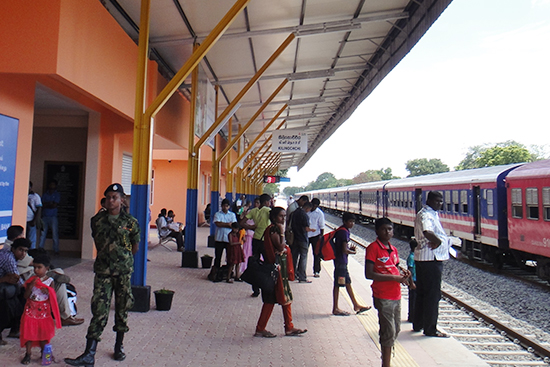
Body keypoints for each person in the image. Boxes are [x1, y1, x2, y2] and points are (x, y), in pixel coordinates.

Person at [65, 183, 140, 366]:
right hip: (103, 271)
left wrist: (123, 261)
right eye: (108, 197)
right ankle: (89, 354)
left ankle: (118, 346)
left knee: (122, 309)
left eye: (114, 197)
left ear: (122, 200)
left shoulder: (131, 222)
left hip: (122, 272)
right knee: (99, 310)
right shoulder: (97, 221)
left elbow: (135, 247)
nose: (110, 200)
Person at [254, 207, 307, 338]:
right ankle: (261, 328)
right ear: (273, 218)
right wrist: (282, 233)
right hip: (274, 270)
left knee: (285, 298)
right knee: (271, 299)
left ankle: (289, 326)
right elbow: (280, 246)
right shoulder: (273, 230)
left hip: (279, 270)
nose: (283, 219)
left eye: (284, 216)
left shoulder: (273, 229)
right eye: (280, 216)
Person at [365, 218, 411, 367]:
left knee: (395, 329)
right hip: (382, 295)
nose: (388, 232)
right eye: (384, 229)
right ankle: (386, 363)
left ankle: (386, 358)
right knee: (388, 331)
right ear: (377, 231)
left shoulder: (394, 249)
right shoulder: (373, 248)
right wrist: (394, 277)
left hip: (396, 295)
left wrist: (404, 276)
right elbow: (369, 274)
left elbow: (395, 266)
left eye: (390, 229)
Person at [413, 191, 451, 338]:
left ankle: (418, 323)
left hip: (422, 258)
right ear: (429, 201)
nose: (439, 204)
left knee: (422, 292)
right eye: (437, 201)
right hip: (431, 259)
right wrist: (439, 241)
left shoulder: (428, 213)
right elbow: (427, 230)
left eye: (441, 201)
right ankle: (430, 328)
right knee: (433, 295)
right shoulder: (426, 215)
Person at [19, 254, 62, 365]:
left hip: (43, 313)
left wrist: (48, 292)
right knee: (28, 333)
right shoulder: (32, 280)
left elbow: (53, 297)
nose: (36, 270)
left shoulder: (50, 281)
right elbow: (25, 296)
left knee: (43, 334)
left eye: (39, 267)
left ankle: (44, 352)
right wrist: (31, 286)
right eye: (35, 267)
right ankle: (28, 354)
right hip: (30, 311)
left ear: (46, 268)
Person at [332, 212, 371, 316]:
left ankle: (356, 305)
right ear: (345, 221)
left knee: (348, 282)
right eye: (350, 221)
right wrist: (353, 252)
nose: (352, 224)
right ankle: (335, 308)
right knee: (337, 284)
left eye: (353, 221)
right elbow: (344, 250)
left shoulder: (342, 230)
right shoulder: (344, 232)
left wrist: (349, 249)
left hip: (340, 262)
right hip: (341, 262)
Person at [241, 194, 272, 297]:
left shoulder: (253, 211)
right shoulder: (268, 210)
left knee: (255, 263)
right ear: (266, 202)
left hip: (256, 239)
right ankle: (268, 286)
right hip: (265, 240)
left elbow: (242, 222)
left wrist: (251, 227)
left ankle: (256, 289)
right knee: (268, 262)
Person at [0, 237, 30, 345]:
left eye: (25, 251)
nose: (23, 254)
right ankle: (15, 328)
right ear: (13, 249)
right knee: (19, 298)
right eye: (21, 250)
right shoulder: (9, 258)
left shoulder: (5, 253)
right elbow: (18, 281)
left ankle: (15, 328)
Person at [291, 201, 315, 283]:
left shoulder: (295, 212)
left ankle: (293, 274)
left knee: (294, 257)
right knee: (303, 257)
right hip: (302, 239)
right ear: (307, 208)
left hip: (295, 238)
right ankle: (302, 277)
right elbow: (306, 228)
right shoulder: (304, 215)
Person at [213, 199, 237, 269]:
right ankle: (216, 272)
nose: (225, 207)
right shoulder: (217, 214)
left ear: (229, 207)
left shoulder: (232, 215)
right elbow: (217, 224)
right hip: (219, 239)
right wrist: (228, 224)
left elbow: (234, 225)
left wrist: (223, 224)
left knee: (229, 257)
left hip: (228, 239)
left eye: (226, 206)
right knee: (218, 257)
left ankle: (228, 273)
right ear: (221, 206)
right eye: (223, 206)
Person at [38, 179, 61, 255]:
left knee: (55, 234)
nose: (52, 186)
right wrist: (50, 204)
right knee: (43, 234)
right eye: (51, 184)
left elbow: (55, 205)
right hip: (45, 216)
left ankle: (56, 250)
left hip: (53, 217)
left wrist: (48, 204)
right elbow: (42, 205)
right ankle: (40, 248)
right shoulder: (45, 194)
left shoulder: (57, 194)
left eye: (53, 184)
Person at [239, 198, 259, 275]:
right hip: (249, 234)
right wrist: (251, 227)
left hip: (256, 234)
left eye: (257, 203)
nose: (255, 204)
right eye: (255, 202)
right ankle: (245, 267)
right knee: (247, 251)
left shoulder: (260, 213)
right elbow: (242, 222)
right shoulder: (250, 212)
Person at [307, 198, 325, 278]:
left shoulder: (319, 213)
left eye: (315, 206)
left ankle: (316, 271)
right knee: (303, 254)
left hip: (315, 236)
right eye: (313, 206)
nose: (314, 207)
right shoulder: (306, 211)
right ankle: (300, 271)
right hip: (306, 235)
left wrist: (321, 236)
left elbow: (322, 226)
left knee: (316, 254)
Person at [27, 181, 42, 249]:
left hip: (31, 219)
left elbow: (39, 208)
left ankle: (32, 253)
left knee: (31, 239)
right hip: (23, 220)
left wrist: (34, 220)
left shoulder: (35, 196)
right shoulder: (21, 194)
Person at [407, 239, 418, 323]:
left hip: (416, 279)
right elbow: (409, 270)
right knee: (413, 299)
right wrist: (411, 282)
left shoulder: (414, 256)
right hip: (413, 280)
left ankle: (413, 316)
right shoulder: (411, 257)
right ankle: (411, 316)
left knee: (415, 299)